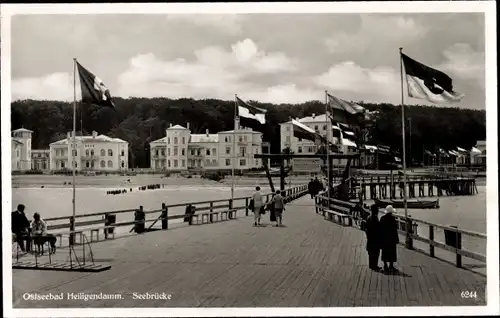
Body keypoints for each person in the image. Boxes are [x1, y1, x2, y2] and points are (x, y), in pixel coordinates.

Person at [380, 205, 399, 272]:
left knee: (385, 252)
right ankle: (391, 265)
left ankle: (385, 265)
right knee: (392, 251)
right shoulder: (393, 219)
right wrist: (397, 239)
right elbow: (395, 230)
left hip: (384, 237)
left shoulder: (382, 218)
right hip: (391, 238)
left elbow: (380, 229)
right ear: (391, 212)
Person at [365, 204, 382, 270]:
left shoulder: (369, 217)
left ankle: (371, 265)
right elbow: (378, 228)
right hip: (375, 238)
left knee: (371, 252)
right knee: (375, 252)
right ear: (375, 211)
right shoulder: (375, 218)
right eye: (377, 210)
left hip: (370, 238)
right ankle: (374, 266)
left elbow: (366, 228)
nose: (378, 211)